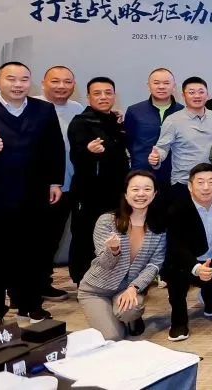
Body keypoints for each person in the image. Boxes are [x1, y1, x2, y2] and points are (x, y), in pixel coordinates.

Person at [0, 62, 66, 323]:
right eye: (11, 79)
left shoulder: (43, 109)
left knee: (32, 253)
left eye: (24, 79)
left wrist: (55, 182)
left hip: (33, 195)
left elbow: (55, 147)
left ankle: (29, 304)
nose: (17, 84)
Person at [77, 171, 167, 341]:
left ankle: (129, 317)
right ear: (126, 194)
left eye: (147, 189)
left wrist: (134, 288)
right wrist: (113, 250)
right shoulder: (107, 221)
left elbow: (154, 265)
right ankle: (113, 318)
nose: (141, 194)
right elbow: (104, 263)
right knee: (112, 337)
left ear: (154, 194)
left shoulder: (159, 227)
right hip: (96, 290)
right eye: (135, 189)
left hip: (128, 289)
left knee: (129, 310)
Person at [164, 164, 212, 342]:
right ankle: (178, 322)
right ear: (190, 186)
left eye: (211, 182)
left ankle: (210, 297)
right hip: (188, 263)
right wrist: (196, 267)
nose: (206, 187)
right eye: (200, 182)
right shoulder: (177, 209)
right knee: (175, 273)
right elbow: (177, 246)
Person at [68, 76, 131, 286]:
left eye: (108, 93)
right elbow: (76, 154)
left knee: (113, 236)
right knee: (85, 236)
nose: (103, 97)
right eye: (97, 93)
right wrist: (88, 150)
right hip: (90, 192)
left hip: (116, 192)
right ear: (88, 97)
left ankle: (111, 279)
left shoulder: (116, 121)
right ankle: (83, 281)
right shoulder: (81, 122)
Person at [29, 66, 85, 301]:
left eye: (67, 81)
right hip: (40, 187)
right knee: (34, 239)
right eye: (55, 81)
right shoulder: (31, 106)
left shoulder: (78, 109)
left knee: (53, 238)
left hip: (69, 186)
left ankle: (43, 283)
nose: (61, 86)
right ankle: (25, 288)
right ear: (43, 83)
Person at [149, 76, 212, 202]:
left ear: (207, 95)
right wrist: (156, 158)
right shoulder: (173, 120)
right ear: (183, 96)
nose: (197, 96)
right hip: (183, 182)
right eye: (191, 92)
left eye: (201, 92)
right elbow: (162, 148)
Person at [125, 68, 182, 196]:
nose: (161, 87)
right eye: (156, 83)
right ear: (148, 86)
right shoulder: (134, 111)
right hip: (142, 173)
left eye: (166, 83)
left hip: (173, 174)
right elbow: (129, 141)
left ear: (174, 86)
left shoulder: (182, 111)